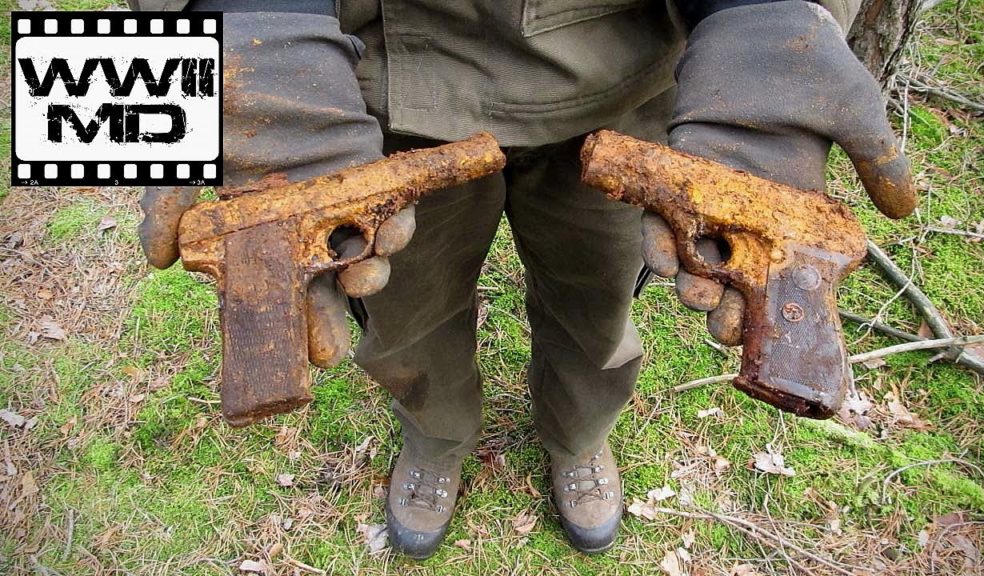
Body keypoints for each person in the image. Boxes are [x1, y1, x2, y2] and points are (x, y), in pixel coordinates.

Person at [132, 0, 916, 559]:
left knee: (599, 306)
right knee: (407, 313)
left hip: (632, 77)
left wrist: (766, 9)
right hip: (357, 88)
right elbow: (84, 98)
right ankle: (437, 438)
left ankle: (578, 440)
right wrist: (233, 19)